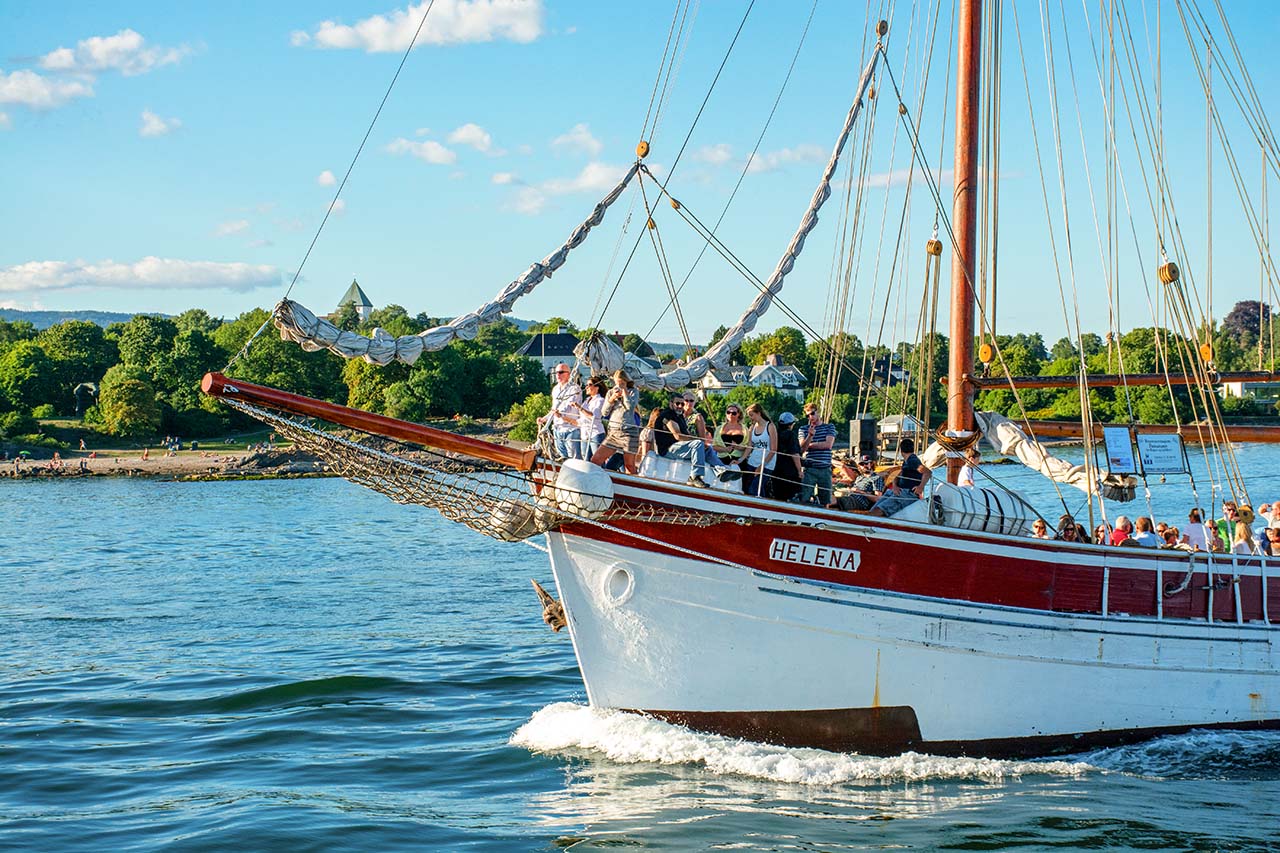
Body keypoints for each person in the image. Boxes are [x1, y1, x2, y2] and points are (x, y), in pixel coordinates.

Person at [656, 394, 717, 488]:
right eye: (677, 403)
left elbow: (687, 435)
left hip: (680, 447)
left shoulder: (680, 416)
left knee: (707, 449)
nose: (680, 406)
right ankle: (695, 477)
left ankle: (721, 470)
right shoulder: (667, 415)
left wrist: (703, 444)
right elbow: (678, 436)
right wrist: (698, 440)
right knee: (698, 444)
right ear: (671, 403)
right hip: (668, 449)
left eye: (682, 403)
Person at [592, 369, 640, 474]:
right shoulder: (610, 393)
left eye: (622, 383)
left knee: (629, 465)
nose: (619, 386)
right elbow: (604, 412)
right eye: (617, 383)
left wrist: (625, 394)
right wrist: (612, 399)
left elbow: (630, 407)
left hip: (628, 432)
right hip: (613, 432)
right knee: (596, 460)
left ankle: (633, 486)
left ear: (626, 382)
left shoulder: (633, 392)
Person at [538, 363, 583, 460]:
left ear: (568, 374)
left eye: (561, 372)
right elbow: (553, 409)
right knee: (562, 458)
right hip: (558, 428)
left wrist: (560, 413)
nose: (558, 375)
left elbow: (569, 406)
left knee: (574, 458)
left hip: (571, 428)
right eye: (556, 372)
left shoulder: (575, 388)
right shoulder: (555, 389)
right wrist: (544, 419)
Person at [797, 403, 837, 505]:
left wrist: (810, 445)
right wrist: (810, 436)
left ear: (818, 412)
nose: (810, 417)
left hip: (825, 468)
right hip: (810, 468)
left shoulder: (829, 427)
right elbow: (801, 449)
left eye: (812, 413)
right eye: (807, 415)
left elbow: (828, 445)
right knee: (804, 498)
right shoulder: (803, 429)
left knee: (825, 499)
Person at [742, 403, 777, 498]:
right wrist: (741, 459)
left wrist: (762, 466)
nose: (751, 418)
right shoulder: (752, 428)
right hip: (752, 462)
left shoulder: (770, 426)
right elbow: (750, 446)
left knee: (754, 489)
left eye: (752, 415)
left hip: (766, 464)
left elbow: (773, 449)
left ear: (759, 413)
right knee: (750, 490)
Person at [573, 375, 607, 462]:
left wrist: (579, 407)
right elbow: (581, 419)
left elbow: (593, 415)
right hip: (585, 434)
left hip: (595, 433)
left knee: (597, 460)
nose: (587, 387)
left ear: (597, 387)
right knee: (586, 461)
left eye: (590, 384)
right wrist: (562, 417)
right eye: (587, 385)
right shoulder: (587, 400)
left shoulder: (600, 400)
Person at [772, 412, 803, 502]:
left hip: (776, 469)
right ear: (791, 424)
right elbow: (794, 453)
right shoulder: (791, 435)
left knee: (778, 496)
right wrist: (799, 470)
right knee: (793, 495)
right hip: (790, 471)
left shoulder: (775, 434)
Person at [713, 404, 748, 471]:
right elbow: (714, 446)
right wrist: (725, 449)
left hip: (738, 461)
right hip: (721, 461)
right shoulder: (719, 429)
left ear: (739, 414)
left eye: (734, 413)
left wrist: (737, 447)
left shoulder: (745, 429)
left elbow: (747, 447)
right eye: (728, 412)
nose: (730, 415)